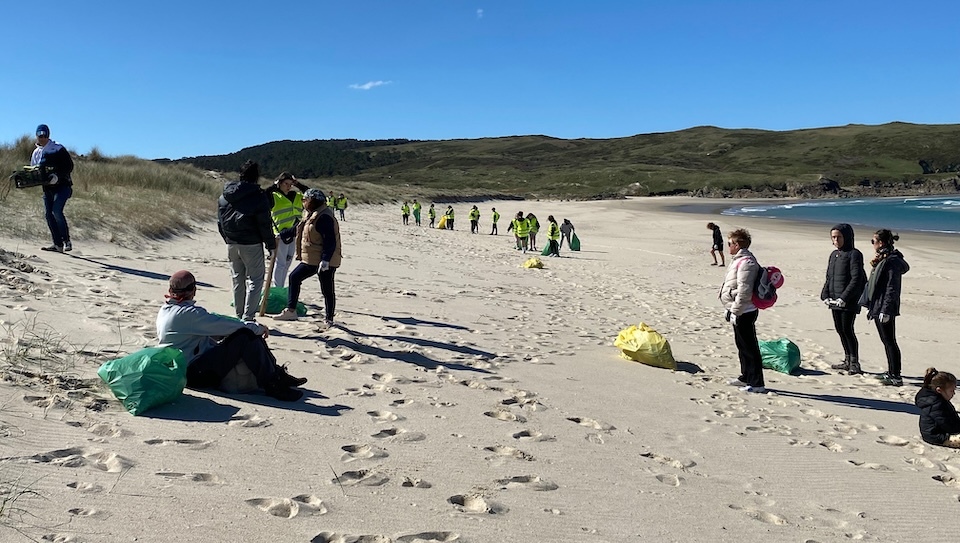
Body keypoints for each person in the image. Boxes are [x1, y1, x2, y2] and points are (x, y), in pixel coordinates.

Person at [157, 270, 306, 402]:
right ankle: (273, 384)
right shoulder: (189, 314)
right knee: (245, 336)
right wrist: (257, 328)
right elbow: (226, 325)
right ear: (193, 290)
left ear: (171, 290)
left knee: (244, 333)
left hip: (184, 369)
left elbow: (213, 327)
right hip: (194, 374)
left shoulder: (166, 309)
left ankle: (277, 375)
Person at [217, 160, 276, 322]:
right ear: (257, 176)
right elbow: (264, 224)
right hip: (251, 243)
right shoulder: (258, 196)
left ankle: (239, 314)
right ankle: (248, 317)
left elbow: (220, 222)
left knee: (237, 279)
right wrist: (270, 245)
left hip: (232, 242)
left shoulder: (225, 196)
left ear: (240, 175)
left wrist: (227, 238)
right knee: (255, 280)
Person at [275, 189, 342, 328]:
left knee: (327, 288)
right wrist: (281, 235)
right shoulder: (310, 214)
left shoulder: (324, 217)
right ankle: (291, 311)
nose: (303, 202)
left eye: (305, 200)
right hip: (311, 258)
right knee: (294, 277)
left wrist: (326, 260)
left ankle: (329, 318)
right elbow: (297, 229)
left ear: (312, 201)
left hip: (325, 259)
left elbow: (330, 240)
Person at [860, 229, 910, 386]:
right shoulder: (882, 258)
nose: (873, 244)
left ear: (881, 243)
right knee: (886, 340)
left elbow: (892, 288)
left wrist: (886, 310)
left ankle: (896, 375)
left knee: (889, 341)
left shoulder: (891, 261)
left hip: (884, 307)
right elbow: (875, 284)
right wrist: (870, 305)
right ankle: (891, 371)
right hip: (877, 305)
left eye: (873, 241)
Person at [719, 229, 765, 393]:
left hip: (745, 311)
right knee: (741, 345)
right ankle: (745, 376)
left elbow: (745, 291)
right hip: (738, 309)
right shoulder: (738, 260)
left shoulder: (747, 262)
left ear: (737, 245)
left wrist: (736, 311)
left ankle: (757, 383)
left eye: (730, 243)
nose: (728, 246)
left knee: (749, 346)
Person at [821, 224, 867, 374]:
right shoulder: (834, 255)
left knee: (847, 329)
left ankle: (854, 362)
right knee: (840, 329)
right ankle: (847, 360)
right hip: (834, 299)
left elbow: (856, 279)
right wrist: (825, 295)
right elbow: (829, 277)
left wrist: (844, 297)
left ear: (846, 237)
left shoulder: (854, 254)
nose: (836, 240)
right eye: (833, 237)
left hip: (849, 301)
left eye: (839, 237)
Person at [31, 124, 74, 253]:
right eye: (40, 135)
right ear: (37, 136)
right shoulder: (36, 153)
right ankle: (57, 244)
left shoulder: (58, 148)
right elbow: (34, 170)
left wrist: (57, 176)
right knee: (49, 215)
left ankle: (66, 241)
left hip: (63, 186)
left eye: (45, 135)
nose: (42, 138)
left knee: (56, 211)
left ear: (48, 135)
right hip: (47, 188)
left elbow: (69, 166)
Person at [266, 172, 308, 288]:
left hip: (294, 233)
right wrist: (274, 186)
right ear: (279, 183)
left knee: (287, 262)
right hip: (280, 235)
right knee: (280, 263)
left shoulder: (297, 196)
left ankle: (281, 286)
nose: (288, 186)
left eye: (290, 184)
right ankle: (277, 287)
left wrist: (297, 184)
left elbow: (310, 193)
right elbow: (263, 194)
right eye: (286, 184)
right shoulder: (274, 196)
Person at [916, 368, 960, 448]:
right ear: (939, 390)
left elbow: (951, 417)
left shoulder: (939, 399)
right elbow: (947, 424)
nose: (954, 393)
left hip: (942, 432)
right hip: (937, 436)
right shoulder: (935, 404)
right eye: (951, 391)